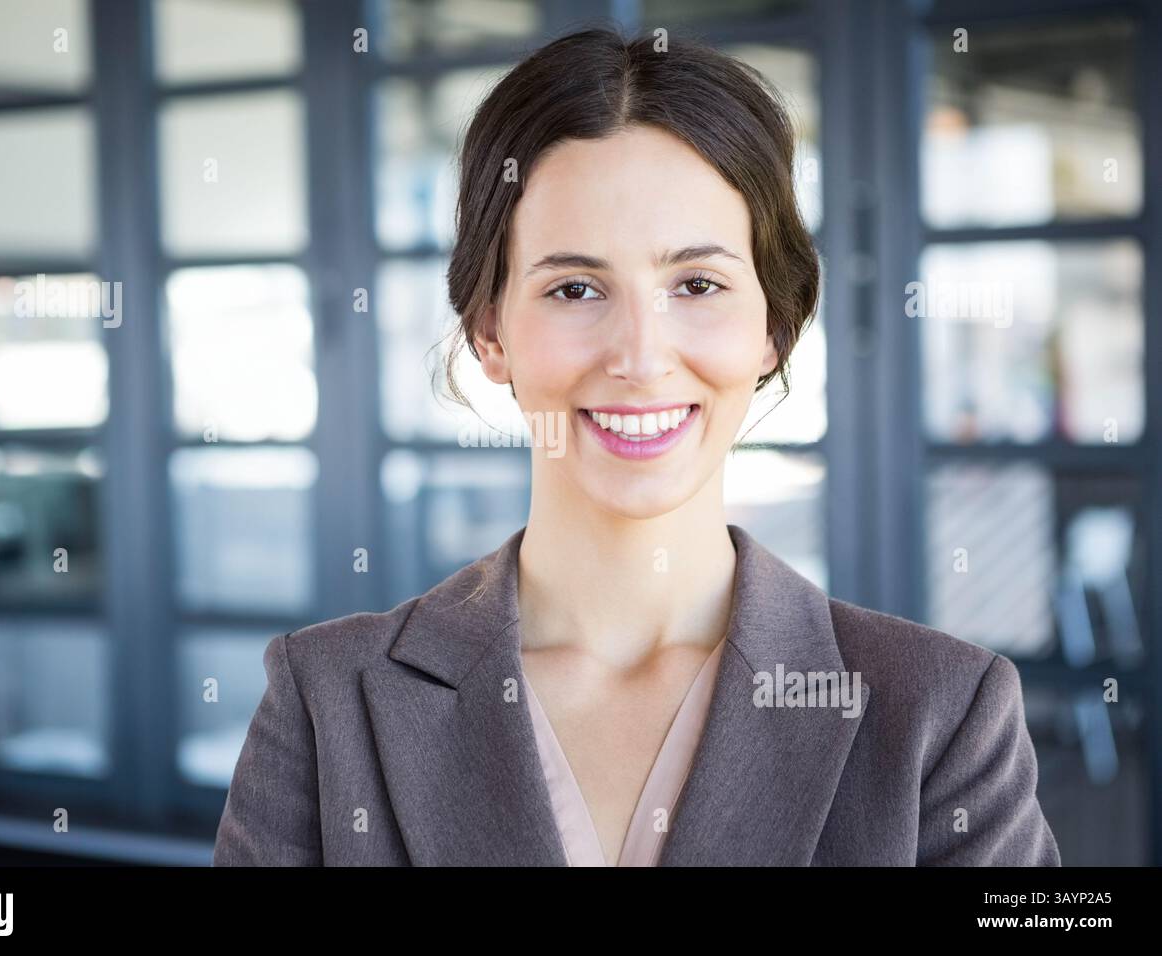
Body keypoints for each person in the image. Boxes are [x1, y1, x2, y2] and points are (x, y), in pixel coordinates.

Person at [213, 27, 1060, 867]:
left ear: (773, 327)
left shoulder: (942, 716)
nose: (641, 356)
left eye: (697, 284)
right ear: (490, 331)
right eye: (575, 288)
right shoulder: (327, 702)